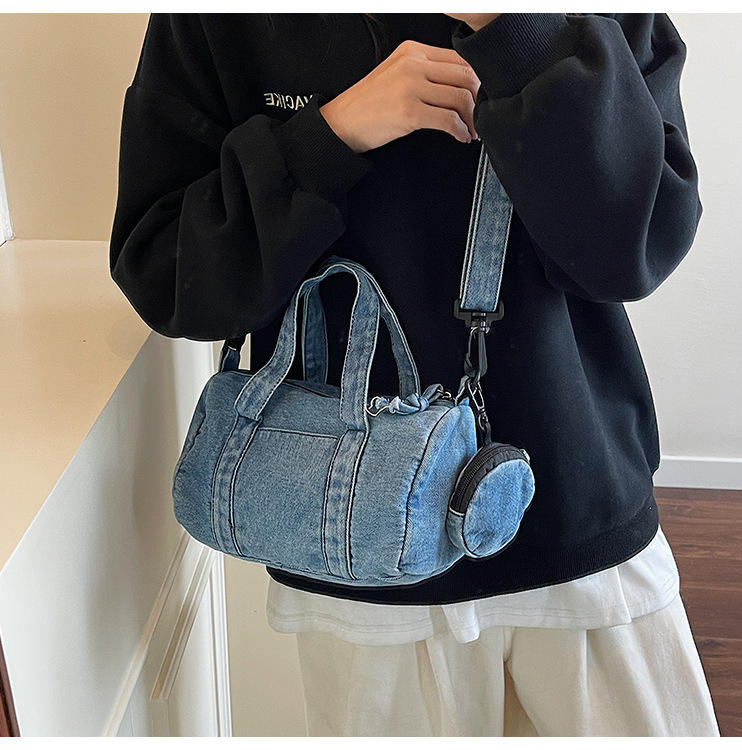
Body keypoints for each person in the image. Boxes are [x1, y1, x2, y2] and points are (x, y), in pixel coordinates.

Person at [109, 12, 720, 736]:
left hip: (578, 526)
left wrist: (521, 33)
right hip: (352, 550)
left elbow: (638, 246)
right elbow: (166, 271)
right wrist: (329, 137)